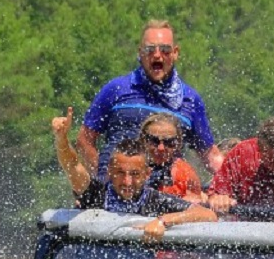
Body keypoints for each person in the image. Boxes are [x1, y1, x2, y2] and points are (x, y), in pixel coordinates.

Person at [77, 20, 222, 180]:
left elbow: (210, 156)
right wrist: (102, 177)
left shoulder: (190, 100)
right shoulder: (116, 89)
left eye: (165, 49)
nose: (157, 55)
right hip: (114, 192)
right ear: (140, 53)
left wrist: (236, 181)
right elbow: (84, 140)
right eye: (149, 49)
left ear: (175, 53)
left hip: (165, 194)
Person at [52, 108, 216, 240]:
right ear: (109, 171)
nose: (127, 182)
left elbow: (207, 215)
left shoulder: (154, 200)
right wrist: (61, 140)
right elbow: (72, 165)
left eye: (135, 174)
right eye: (120, 173)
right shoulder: (96, 194)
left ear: (147, 174)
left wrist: (162, 221)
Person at [140, 112, 205, 202]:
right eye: (154, 141)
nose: (161, 148)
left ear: (178, 144)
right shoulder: (127, 167)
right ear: (143, 140)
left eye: (169, 142)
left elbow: (197, 206)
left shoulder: (186, 174)